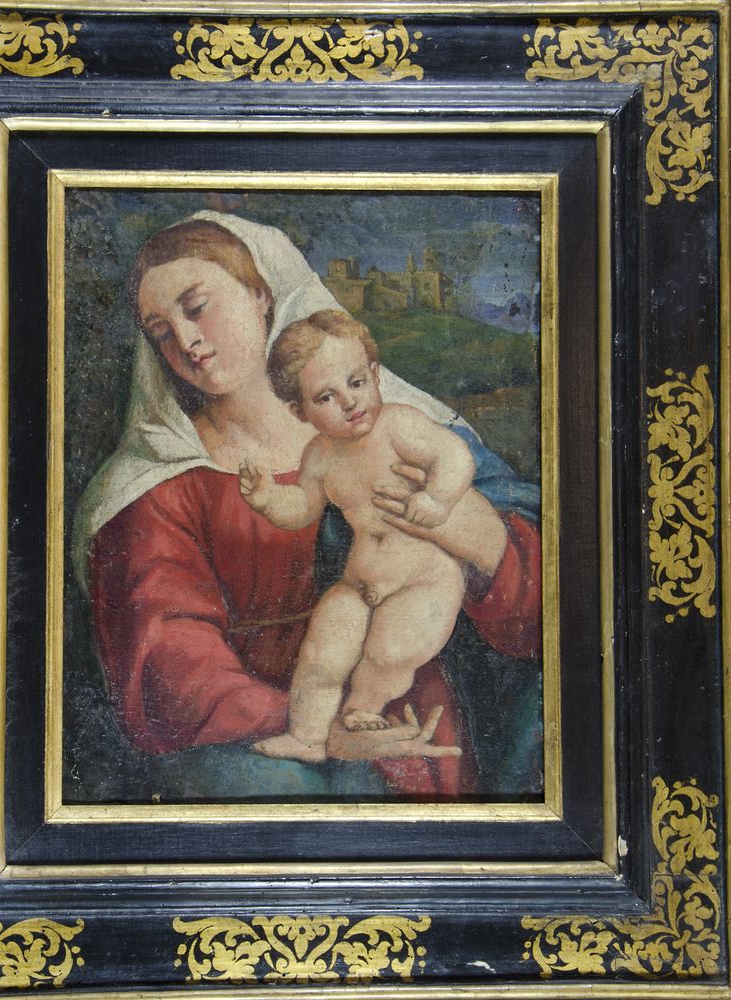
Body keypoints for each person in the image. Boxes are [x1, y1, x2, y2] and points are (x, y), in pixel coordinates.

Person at [73, 210, 542, 799]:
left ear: (260, 295)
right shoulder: (154, 488)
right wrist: (314, 725)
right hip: (258, 741)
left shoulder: (398, 429)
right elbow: (170, 664)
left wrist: (476, 532)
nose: (186, 342)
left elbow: (550, 606)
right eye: (162, 331)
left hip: (406, 716)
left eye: (197, 307)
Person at [241, 309, 493, 762]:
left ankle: (362, 708)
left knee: (389, 652)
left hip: (424, 581)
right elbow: (303, 508)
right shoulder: (319, 456)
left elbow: (455, 456)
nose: (349, 402)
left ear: (375, 375)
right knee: (320, 655)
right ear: (299, 411)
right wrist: (267, 499)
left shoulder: (398, 425)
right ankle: (307, 736)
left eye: (356, 383)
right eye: (326, 397)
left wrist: (437, 500)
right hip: (358, 584)